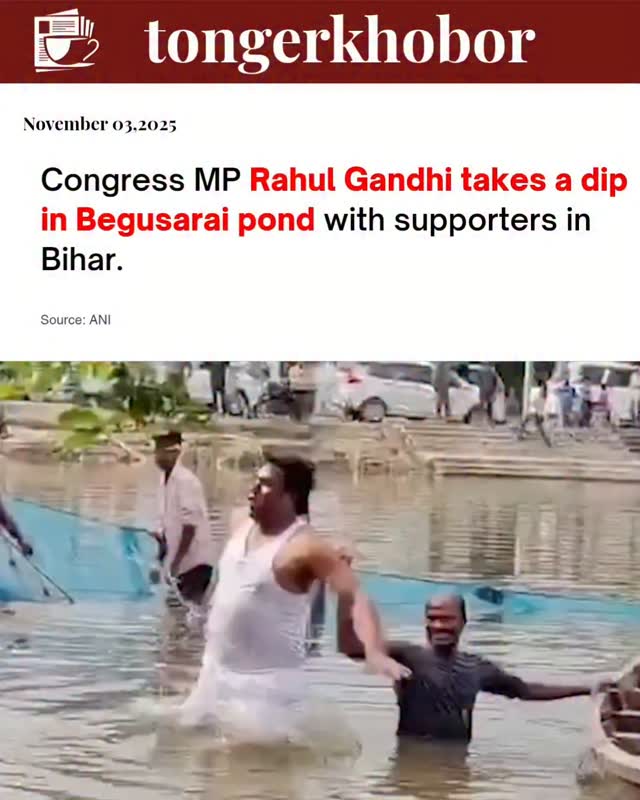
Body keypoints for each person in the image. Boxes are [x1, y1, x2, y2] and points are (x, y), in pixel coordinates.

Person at [178, 454, 409, 737]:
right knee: (189, 751)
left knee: (248, 762)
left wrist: (374, 651)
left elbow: (356, 595)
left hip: (265, 690)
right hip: (214, 675)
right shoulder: (239, 522)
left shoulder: (306, 548)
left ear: (290, 496)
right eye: (255, 481)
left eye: (265, 484)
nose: (253, 490)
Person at [337, 579, 609, 743]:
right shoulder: (407, 657)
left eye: (447, 619)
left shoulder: (477, 668)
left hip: (457, 762)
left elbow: (525, 690)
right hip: (412, 760)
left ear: (463, 622)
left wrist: (587, 688)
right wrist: (344, 594)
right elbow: (350, 647)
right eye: (433, 618)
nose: (439, 625)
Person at [152, 432, 214, 605]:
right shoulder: (164, 480)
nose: (159, 457)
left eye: (165, 452)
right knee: (175, 613)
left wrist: (176, 563)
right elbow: (168, 525)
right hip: (176, 565)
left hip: (194, 564)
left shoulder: (186, 481)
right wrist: (160, 560)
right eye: (157, 452)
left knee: (190, 611)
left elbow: (190, 526)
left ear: (177, 453)